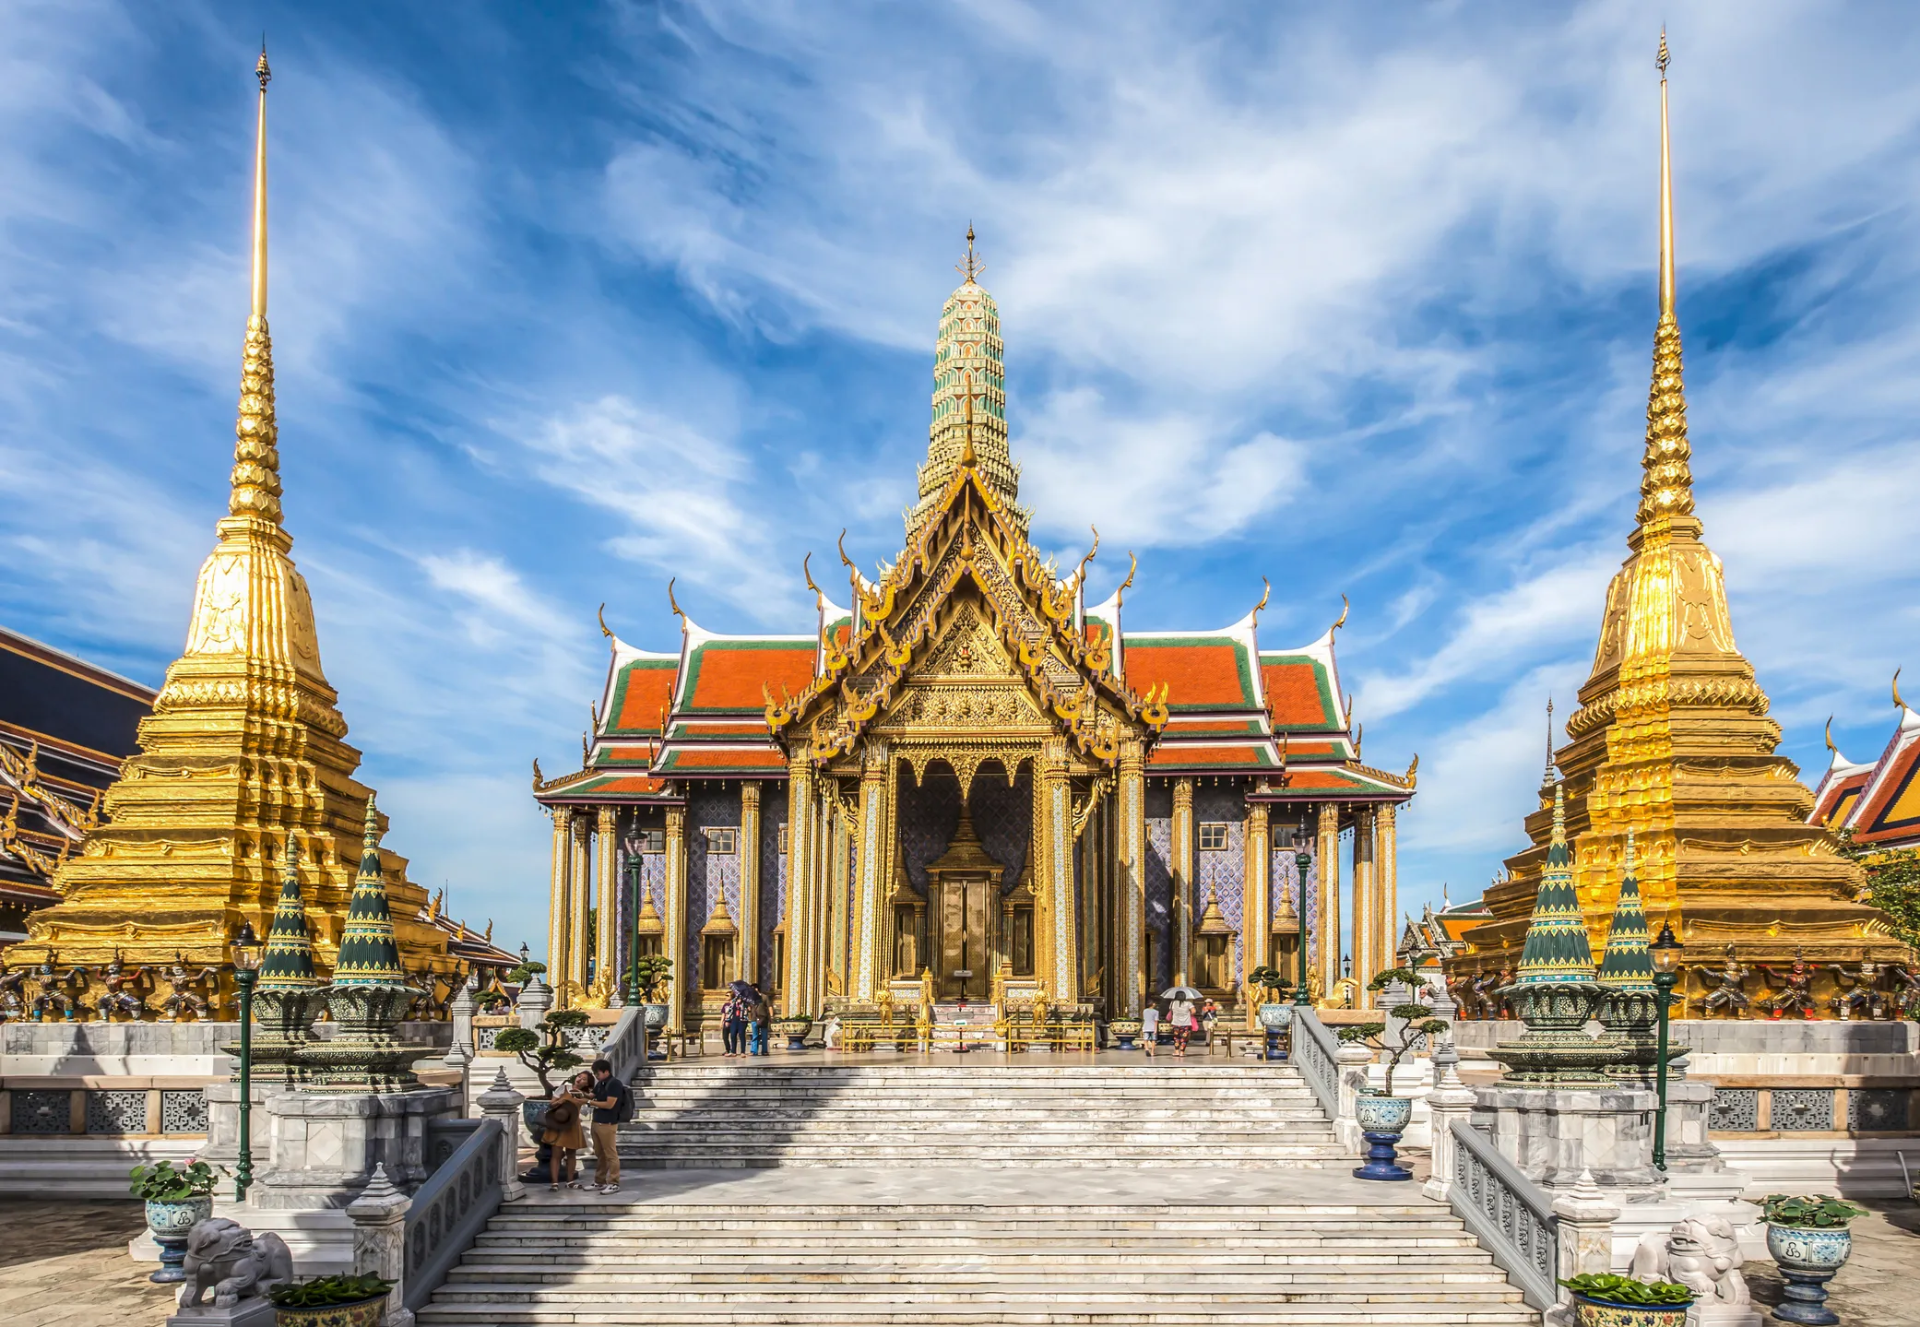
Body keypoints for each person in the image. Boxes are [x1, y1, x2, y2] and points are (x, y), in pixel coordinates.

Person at [587, 1058, 630, 1194]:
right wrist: (579, 1094)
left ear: (606, 1071)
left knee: (610, 1154)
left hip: (607, 1123)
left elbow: (609, 1104)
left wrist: (590, 1102)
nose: (596, 1076)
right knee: (600, 1154)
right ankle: (599, 1181)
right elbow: (592, 1095)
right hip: (596, 1121)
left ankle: (613, 1182)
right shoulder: (601, 1083)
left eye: (597, 1073)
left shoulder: (614, 1084)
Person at [542, 1072, 588, 1191]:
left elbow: (585, 1112)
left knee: (571, 1154)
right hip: (558, 1123)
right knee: (556, 1154)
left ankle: (570, 1181)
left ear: (587, 1083)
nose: (579, 1080)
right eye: (579, 1077)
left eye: (584, 1079)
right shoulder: (564, 1088)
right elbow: (551, 1104)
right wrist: (560, 1101)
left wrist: (581, 1099)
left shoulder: (583, 1094)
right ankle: (554, 1183)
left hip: (572, 1124)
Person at [720, 989, 745, 1057]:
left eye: (728, 995)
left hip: (740, 1021)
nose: (726, 997)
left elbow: (746, 1011)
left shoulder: (743, 1004)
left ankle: (741, 1051)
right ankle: (730, 1050)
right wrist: (723, 1021)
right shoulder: (731, 1004)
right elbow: (726, 1013)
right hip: (731, 1021)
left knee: (740, 1035)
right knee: (729, 1036)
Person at [748, 987, 771, 1056]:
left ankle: (764, 1051)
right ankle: (754, 1051)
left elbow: (769, 1006)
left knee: (764, 1035)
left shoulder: (764, 997)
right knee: (755, 1036)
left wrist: (771, 1016)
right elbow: (749, 1009)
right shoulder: (750, 998)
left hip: (763, 1018)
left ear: (756, 989)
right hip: (754, 1019)